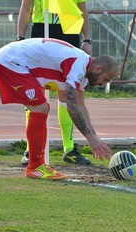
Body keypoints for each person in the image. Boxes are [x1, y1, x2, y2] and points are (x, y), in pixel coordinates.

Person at [0, 38, 117, 180]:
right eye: (106, 79)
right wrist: (90, 138)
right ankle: (35, 167)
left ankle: (37, 166)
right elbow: (71, 106)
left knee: (41, 108)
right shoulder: (78, 64)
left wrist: (95, 137)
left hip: (15, 61)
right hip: (11, 61)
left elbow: (81, 106)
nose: (103, 84)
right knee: (40, 108)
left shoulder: (83, 70)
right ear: (98, 69)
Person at [17, 0, 92, 166]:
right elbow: (26, 6)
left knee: (67, 89)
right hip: (41, 27)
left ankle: (70, 149)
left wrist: (87, 39)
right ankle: (31, 150)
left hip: (68, 28)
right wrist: (20, 37)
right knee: (34, 90)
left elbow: (82, 8)